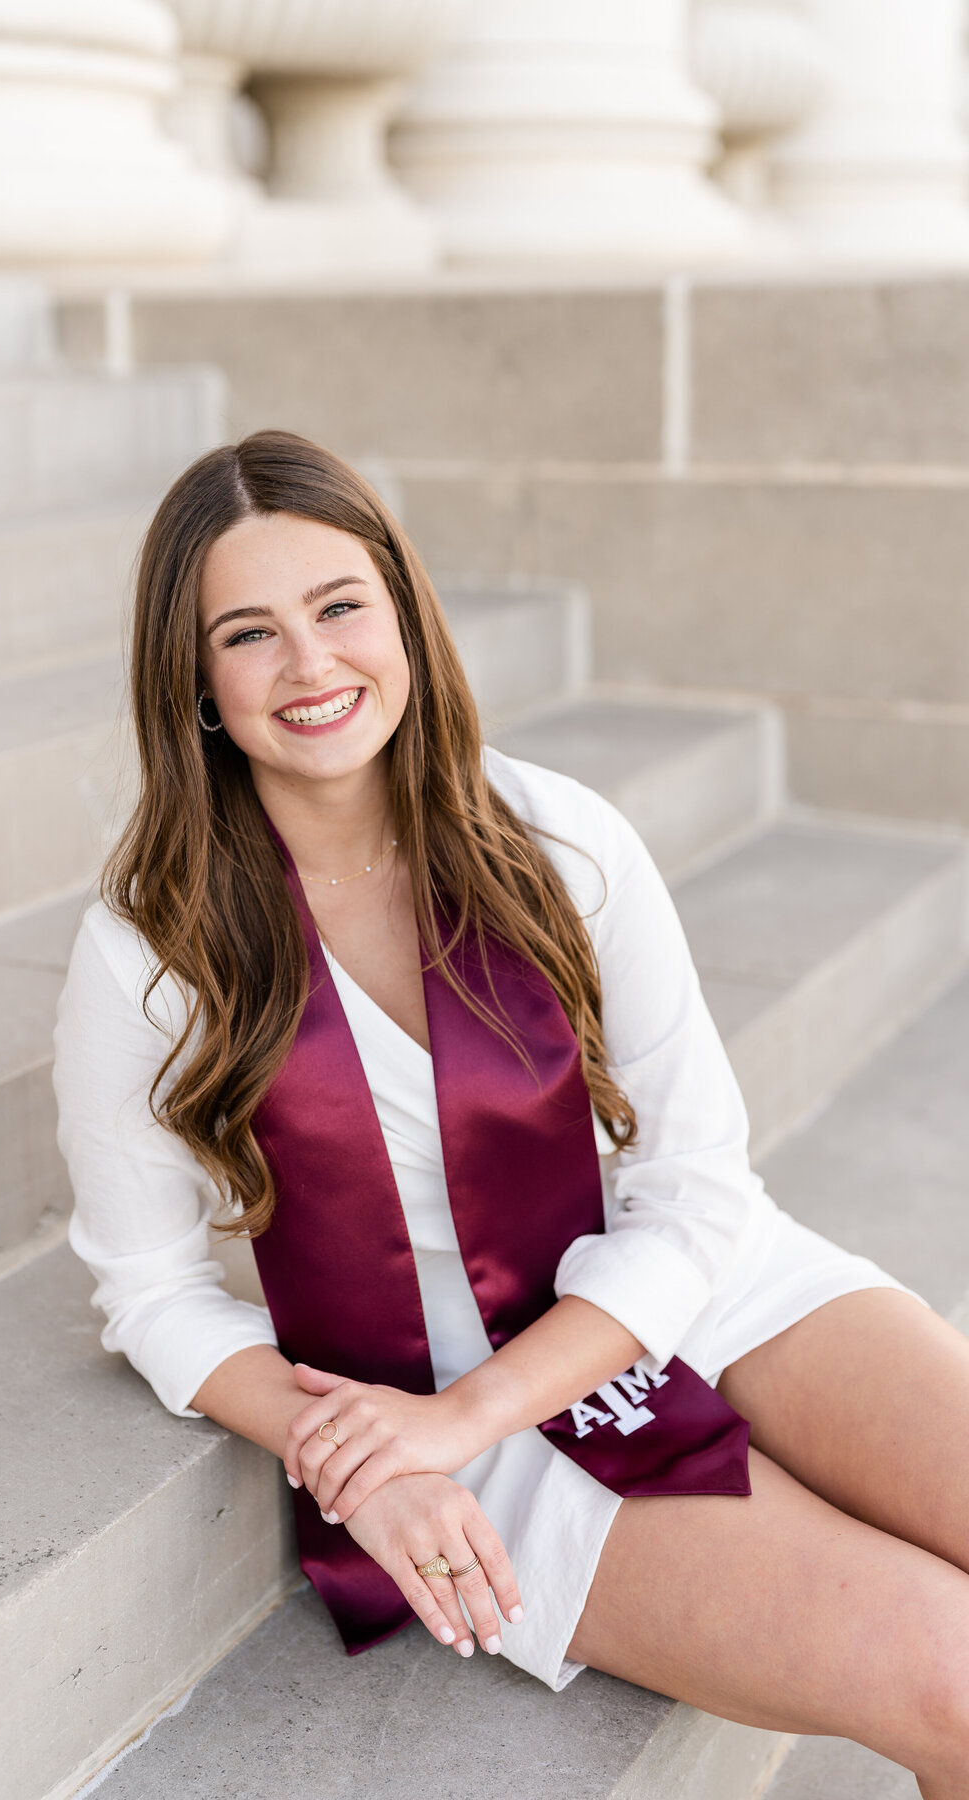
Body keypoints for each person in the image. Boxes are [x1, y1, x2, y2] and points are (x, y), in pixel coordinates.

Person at [53, 430, 969, 1793]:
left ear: (404, 617)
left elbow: (697, 1183)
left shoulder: (558, 841)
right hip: (454, 1404)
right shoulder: (153, 951)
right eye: (249, 634)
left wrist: (472, 1408)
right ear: (193, 683)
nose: (311, 666)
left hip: (696, 1290)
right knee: (952, 1679)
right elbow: (147, 1286)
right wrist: (375, 1453)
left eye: (340, 607)